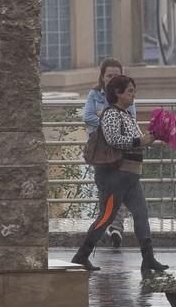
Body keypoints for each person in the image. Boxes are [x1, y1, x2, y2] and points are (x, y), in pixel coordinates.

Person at [72, 75, 169, 273]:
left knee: (141, 214)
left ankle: (148, 258)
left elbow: (134, 141)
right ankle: (81, 255)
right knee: (106, 216)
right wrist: (141, 141)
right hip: (115, 176)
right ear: (117, 93)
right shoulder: (111, 114)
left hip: (131, 176)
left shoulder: (126, 115)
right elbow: (114, 140)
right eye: (130, 91)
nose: (133, 95)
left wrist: (148, 139)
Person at [83, 58, 136, 248]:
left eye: (116, 75)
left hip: (120, 150)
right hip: (100, 151)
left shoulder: (126, 94)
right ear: (102, 77)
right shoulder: (95, 95)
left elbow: (131, 120)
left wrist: (103, 118)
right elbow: (87, 116)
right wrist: (111, 123)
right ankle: (103, 231)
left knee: (119, 190)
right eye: (109, 75)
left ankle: (116, 229)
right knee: (105, 190)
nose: (112, 79)